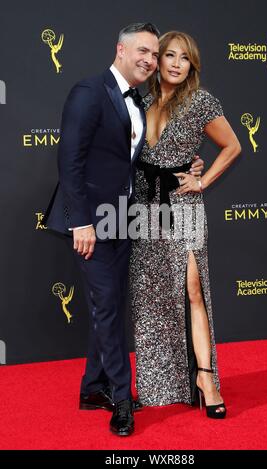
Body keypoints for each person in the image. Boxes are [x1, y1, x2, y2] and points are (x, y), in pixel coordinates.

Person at [43, 23, 204, 436]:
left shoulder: (141, 101)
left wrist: (191, 168)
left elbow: (139, 161)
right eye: (144, 52)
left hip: (122, 221)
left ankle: (92, 388)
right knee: (109, 310)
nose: (151, 60)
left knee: (111, 306)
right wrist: (81, 221)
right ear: (120, 50)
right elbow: (70, 162)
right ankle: (119, 397)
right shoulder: (88, 92)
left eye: (156, 53)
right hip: (90, 224)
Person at [130, 31, 241, 418]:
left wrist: (202, 178)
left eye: (185, 58)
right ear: (157, 61)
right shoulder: (140, 103)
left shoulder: (199, 102)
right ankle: (158, 382)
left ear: (192, 65)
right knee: (152, 297)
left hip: (184, 206)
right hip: (145, 209)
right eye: (170, 56)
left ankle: (205, 378)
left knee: (193, 287)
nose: (177, 63)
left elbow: (233, 146)